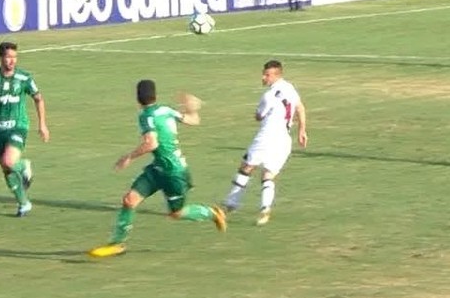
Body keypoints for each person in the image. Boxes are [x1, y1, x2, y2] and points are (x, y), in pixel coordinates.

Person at [88, 81, 227, 258]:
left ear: (137, 98)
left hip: (174, 173)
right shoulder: (166, 110)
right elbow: (194, 121)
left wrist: (128, 157)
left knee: (176, 213)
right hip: (157, 169)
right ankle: (117, 244)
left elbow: (151, 143)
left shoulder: (146, 116)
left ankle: (211, 213)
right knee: (129, 200)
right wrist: (192, 109)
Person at [221, 60, 308, 225]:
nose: (263, 77)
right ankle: (265, 209)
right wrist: (302, 130)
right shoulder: (289, 88)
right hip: (284, 139)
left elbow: (258, 116)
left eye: (267, 75)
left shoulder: (268, 96)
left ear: (276, 75)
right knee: (268, 174)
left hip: (267, 136)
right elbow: (300, 107)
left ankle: (230, 204)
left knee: (246, 167)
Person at [0, 41, 50, 217]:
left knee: (9, 161)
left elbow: (38, 98)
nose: (12, 61)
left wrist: (42, 124)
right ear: (0, 58)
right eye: (8, 57)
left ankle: (24, 166)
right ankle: (23, 203)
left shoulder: (24, 78)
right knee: (5, 168)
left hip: (18, 126)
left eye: (14, 57)